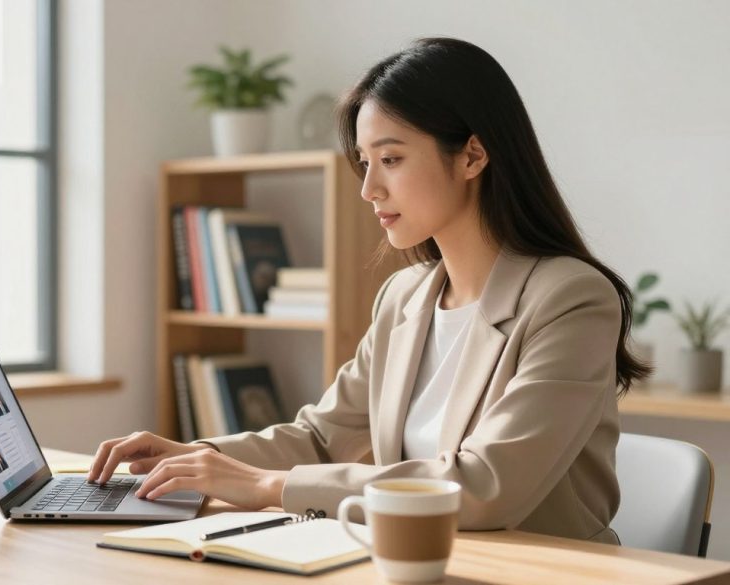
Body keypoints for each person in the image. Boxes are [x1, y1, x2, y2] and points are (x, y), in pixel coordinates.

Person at [88, 37, 648, 544]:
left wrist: (266, 486)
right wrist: (196, 456)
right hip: (412, 561)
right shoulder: (405, 295)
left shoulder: (571, 299)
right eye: (364, 163)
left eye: (392, 159)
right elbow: (320, 437)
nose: (369, 188)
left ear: (473, 155)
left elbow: (485, 483)